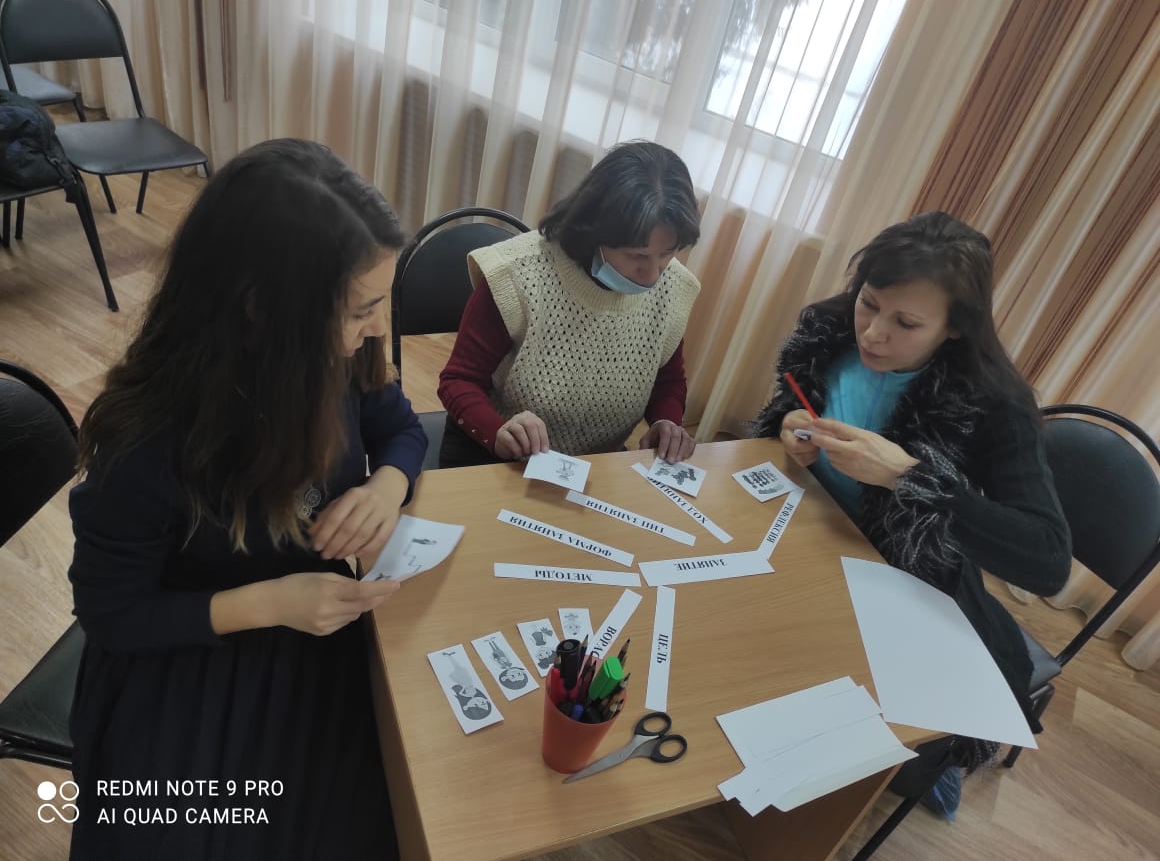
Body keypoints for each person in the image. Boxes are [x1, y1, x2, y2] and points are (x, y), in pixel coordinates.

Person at [67, 139, 427, 860]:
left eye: (380, 304)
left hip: (314, 628)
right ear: (262, 310)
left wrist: (386, 486)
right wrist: (269, 604)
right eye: (361, 309)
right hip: (194, 655)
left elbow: (401, 428)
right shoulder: (148, 440)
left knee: (400, 791)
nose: (379, 329)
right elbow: (110, 612)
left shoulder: (336, 358)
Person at [754, 211, 1071, 806]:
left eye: (906, 323)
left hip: (903, 578)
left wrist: (908, 477)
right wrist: (790, 427)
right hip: (807, 538)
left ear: (954, 328)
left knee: (873, 757)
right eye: (869, 303)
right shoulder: (829, 329)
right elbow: (791, 411)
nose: (873, 334)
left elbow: (1049, 560)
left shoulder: (993, 404)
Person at [437, 140, 702, 467]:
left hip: (593, 466)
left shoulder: (673, 288)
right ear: (595, 233)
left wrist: (667, 421)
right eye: (637, 256)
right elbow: (458, 382)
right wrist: (499, 432)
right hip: (497, 457)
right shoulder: (517, 276)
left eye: (667, 253)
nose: (652, 275)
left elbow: (667, 379)